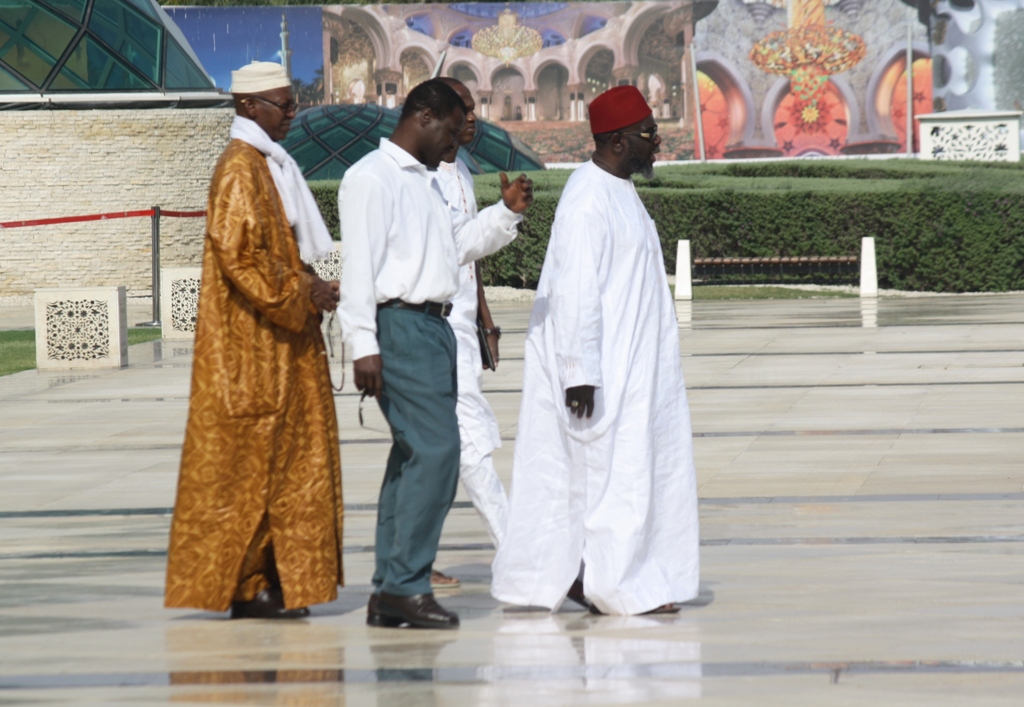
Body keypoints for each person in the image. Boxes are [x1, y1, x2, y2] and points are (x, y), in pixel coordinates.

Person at [491, 85, 700, 616]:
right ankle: (613, 585)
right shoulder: (586, 198)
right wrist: (580, 371)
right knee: (605, 477)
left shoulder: (618, 189)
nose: (656, 142)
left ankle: (614, 578)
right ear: (616, 140)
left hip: (633, 365)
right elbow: (576, 290)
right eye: (647, 133)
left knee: (626, 472)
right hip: (601, 369)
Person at [338, 79, 532, 629]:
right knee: (440, 453)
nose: (460, 136)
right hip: (399, 326)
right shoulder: (371, 179)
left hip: (438, 329)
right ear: (424, 116)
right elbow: (359, 272)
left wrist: (504, 215)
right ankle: (405, 584)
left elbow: (454, 249)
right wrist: (363, 346)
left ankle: (389, 588)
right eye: (453, 124)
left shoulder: (427, 182)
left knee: (413, 457)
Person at [165, 61, 344, 620]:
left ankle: (279, 576)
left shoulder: (269, 165)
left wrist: (308, 288)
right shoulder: (241, 169)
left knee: (289, 466)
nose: (291, 114)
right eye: (281, 105)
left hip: (283, 343)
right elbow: (240, 257)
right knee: (243, 472)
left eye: (292, 104)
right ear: (248, 107)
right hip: (250, 348)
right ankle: (245, 584)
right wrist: (304, 291)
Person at [429, 78, 508, 588]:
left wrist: (483, 317)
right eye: (465, 108)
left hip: (460, 323)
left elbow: (470, 253)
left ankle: (411, 560)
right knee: (467, 440)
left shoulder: (460, 170)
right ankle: (516, 544)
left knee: (441, 447)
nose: (474, 118)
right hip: (430, 326)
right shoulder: (417, 176)